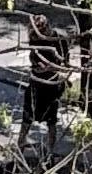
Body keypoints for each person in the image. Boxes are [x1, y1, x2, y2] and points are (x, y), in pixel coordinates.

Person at [19, 11, 68, 148]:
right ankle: (20, 148)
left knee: (51, 121)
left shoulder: (58, 40)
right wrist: (37, 66)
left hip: (51, 85)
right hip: (35, 84)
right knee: (26, 119)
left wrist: (50, 68)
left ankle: (49, 152)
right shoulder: (35, 39)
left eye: (41, 28)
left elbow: (65, 64)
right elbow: (34, 57)